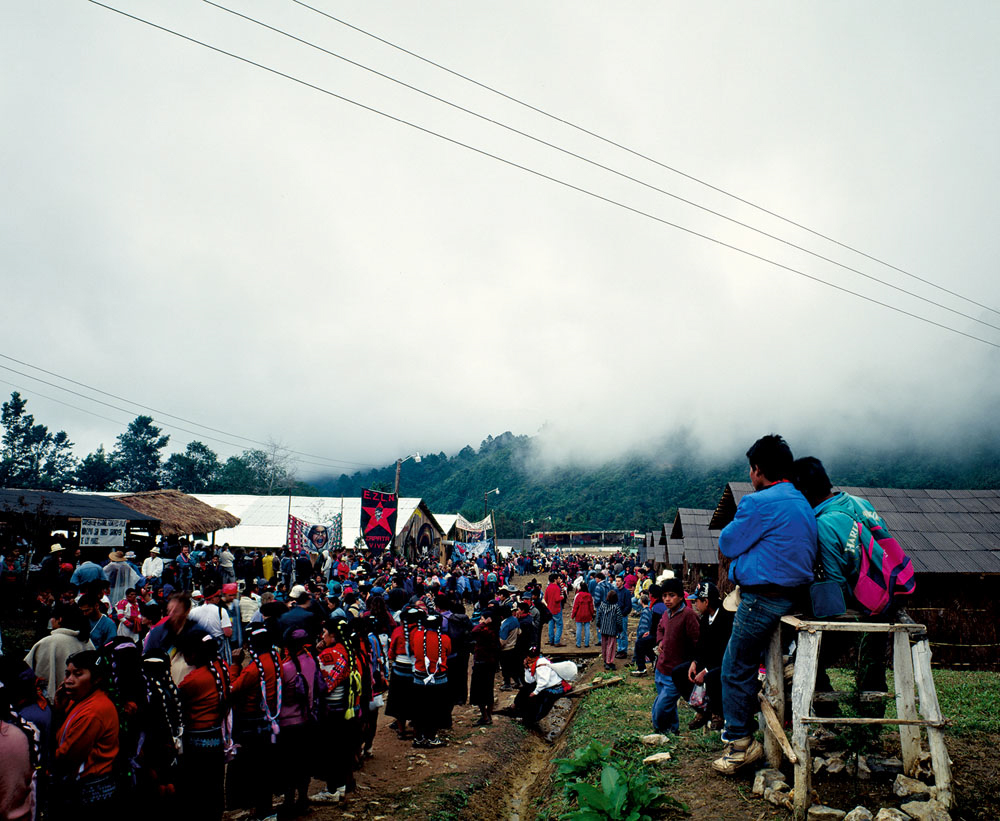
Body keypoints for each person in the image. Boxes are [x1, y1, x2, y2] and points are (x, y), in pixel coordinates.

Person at [714, 434, 817, 775]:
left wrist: (743, 556)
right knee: (750, 662)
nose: (750, 477)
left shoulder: (758, 503)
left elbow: (729, 542)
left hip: (763, 598)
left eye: (750, 470)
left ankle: (741, 744)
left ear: (758, 470)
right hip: (796, 597)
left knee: (735, 666)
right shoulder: (801, 502)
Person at [52, 650, 120, 821]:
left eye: (78, 674)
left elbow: (68, 755)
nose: (68, 680)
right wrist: (59, 710)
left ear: (96, 679)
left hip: (89, 790)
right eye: (67, 674)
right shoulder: (79, 702)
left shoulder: (93, 710)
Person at [228, 628, 281, 821]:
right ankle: (265, 809)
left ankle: (261, 812)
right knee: (264, 768)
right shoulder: (275, 662)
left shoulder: (254, 669)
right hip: (268, 722)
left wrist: (234, 665)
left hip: (251, 724)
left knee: (255, 769)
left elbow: (232, 689)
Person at [177, 633, 230, 821]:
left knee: (199, 787)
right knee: (214, 784)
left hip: (196, 742)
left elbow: (178, 702)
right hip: (215, 737)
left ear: (193, 654)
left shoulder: (193, 680)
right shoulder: (220, 669)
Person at [671, 581, 733, 729]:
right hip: (708, 661)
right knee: (678, 672)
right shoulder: (705, 619)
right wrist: (695, 662)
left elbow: (725, 651)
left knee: (711, 677)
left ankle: (717, 713)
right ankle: (702, 709)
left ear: (706, 601)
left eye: (697, 601)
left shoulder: (727, 619)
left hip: (725, 663)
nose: (695, 605)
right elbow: (701, 645)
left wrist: (705, 671)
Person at [314, 617, 363, 802]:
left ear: (333, 635)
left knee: (332, 750)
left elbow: (324, 684)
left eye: (325, 633)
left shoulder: (329, 656)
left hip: (331, 709)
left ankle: (332, 790)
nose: (322, 636)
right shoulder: (348, 651)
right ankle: (342, 785)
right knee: (342, 748)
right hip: (346, 708)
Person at [651, 579, 699, 733]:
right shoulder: (666, 614)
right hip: (661, 668)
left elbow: (698, 642)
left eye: (671, 595)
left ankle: (659, 731)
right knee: (668, 705)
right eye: (664, 596)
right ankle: (673, 730)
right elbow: (659, 628)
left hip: (676, 672)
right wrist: (660, 640)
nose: (667, 599)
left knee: (660, 708)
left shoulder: (688, 615)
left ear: (680, 597)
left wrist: (694, 661)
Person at [24, 602, 95, 701]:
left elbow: (30, 671)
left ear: (60, 619)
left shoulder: (48, 642)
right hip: (82, 701)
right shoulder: (86, 641)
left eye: (52, 618)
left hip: (51, 702)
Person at [410, 612, 452, 748]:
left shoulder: (417, 636)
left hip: (419, 679)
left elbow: (413, 650)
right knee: (435, 709)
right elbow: (448, 653)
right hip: (439, 680)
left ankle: (418, 738)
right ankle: (431, 737)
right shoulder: (445, 639)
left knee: (419, 709)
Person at [469, 604, 501, 726]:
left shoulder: (485, 631)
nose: (479, 621)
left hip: (482, 663)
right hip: (491, 663)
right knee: (488, 689)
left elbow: (474, 630)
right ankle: (488, 714)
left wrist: (483, 623)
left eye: (481, 618)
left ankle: (485, 716)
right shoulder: (494, 630)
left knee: (480, 691)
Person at [595, 588, 622, 671]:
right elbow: (619, 619)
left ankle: (605, 659)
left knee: (604, 645)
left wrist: (598, 624)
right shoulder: (616, 607)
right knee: (611, 646)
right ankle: (609, 661)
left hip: (603, 628)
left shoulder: (603, 605)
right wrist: (620, 628)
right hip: (612, 629)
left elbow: (599, 615)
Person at [630, 593, 655, 676]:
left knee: (640, 646)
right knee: (647, 648)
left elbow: (643, 624)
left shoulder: (644, 612)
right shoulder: (650, 610)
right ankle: (653, 659)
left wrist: (641, 634)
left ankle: (641, 668)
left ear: (641, 601)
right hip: (649, 632)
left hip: (645, 633)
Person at [543, 574, 565, 647]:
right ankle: (557, 641)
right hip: (556, 609)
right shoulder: (557, 588)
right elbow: (557, 599)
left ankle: (551, 640)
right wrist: (562, 597)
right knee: (559, 625)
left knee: (551, 625)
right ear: (555, 580)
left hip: (549, 609)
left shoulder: (548, 587)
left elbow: (545, 598)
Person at [571, 583, 595, 648]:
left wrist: (573, 615)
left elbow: (575, 606)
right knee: (587, 629)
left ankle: (578, 644)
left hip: (579, 614)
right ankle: (586, 644)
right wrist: (592, 614)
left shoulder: (578, 595)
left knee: (579, 629)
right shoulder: (589, 596)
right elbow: (591, 606)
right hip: (587, 614)